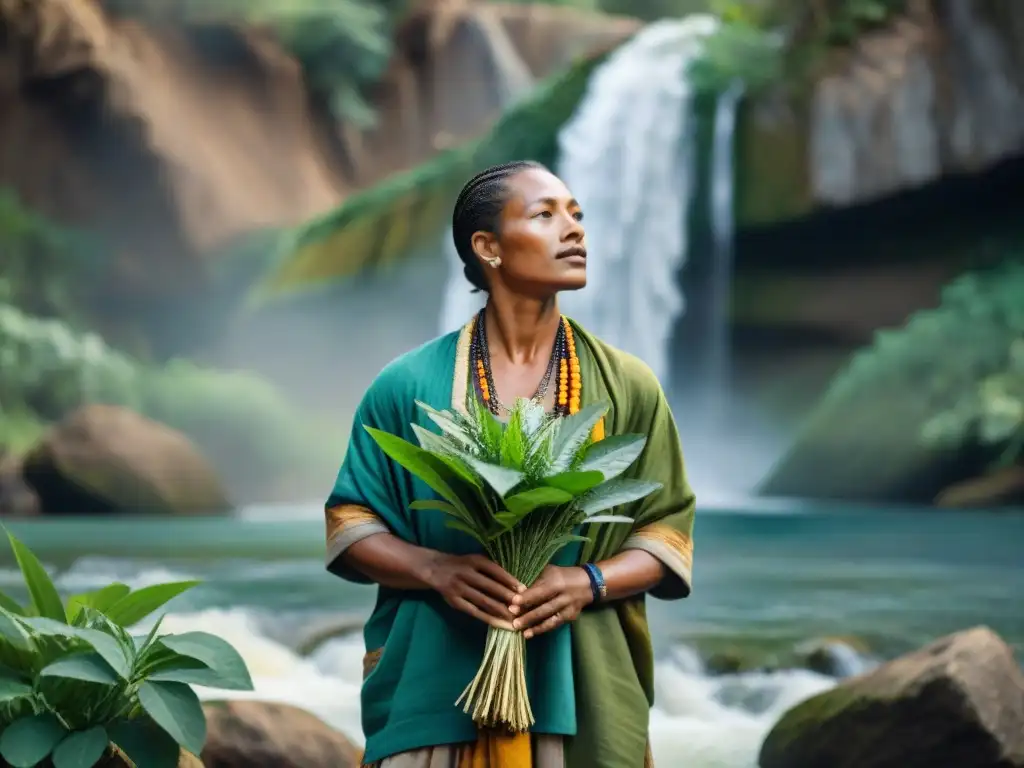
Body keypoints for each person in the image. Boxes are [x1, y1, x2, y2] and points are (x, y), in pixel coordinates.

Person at [325, 160, 696, 768]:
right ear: (487, 247)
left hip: (583, 684)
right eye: (546, 215)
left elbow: (666, 529)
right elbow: (350, 521)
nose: (574, 230)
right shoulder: (406, 383)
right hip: (435, 680)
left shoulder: (628, 384)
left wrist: (586, 581)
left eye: (577, 214)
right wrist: (436, 569)